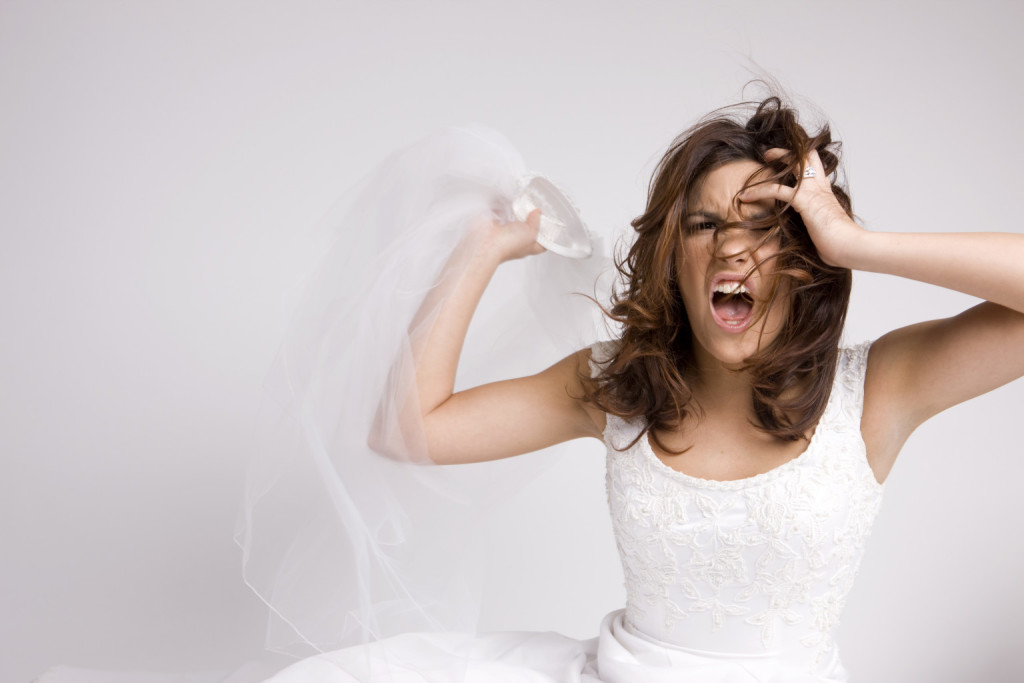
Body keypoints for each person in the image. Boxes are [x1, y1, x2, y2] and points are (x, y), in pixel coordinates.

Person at [257, 96, 1024, 682]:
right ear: (674, 261)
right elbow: (410, 427)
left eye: (765, 223)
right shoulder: (615, 386)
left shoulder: (880, 389)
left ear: (804, 258)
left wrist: (859, 245)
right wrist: (483, 248)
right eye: (703, 225)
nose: (731, 244)